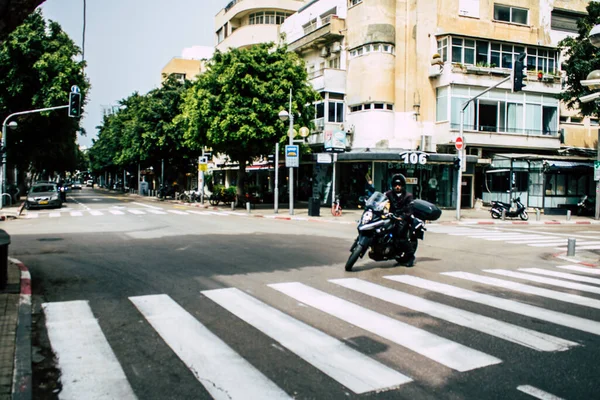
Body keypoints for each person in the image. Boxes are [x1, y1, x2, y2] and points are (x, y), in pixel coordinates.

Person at [384, 174, 415, 266]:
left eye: (399, 185)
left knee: (400, 237)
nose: (397, 187)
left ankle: (410, 256)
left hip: (403, 218)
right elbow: (381, 201)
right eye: (395, 185)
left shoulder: (408, 196)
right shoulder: (388, 194)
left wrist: (402, 217)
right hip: (391, 216)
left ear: (403, 186)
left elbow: (410, 209)